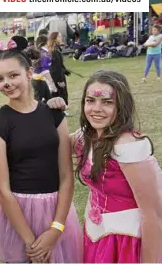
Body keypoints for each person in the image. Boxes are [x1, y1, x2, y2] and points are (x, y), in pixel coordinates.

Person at [0, 36, 82, 263]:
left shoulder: (55, 115)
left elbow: (66, 176)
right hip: (17, 215)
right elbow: (2, 188)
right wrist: (30, 243)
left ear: (29, 73)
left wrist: (56, 229)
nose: (7, 83)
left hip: (55, 211)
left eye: (13, 75)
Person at [47, 70, 162, 263]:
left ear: (121, 106)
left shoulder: (129, 147)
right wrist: (50, 113)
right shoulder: (86, 136)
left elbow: (154, 214)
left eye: (107, 102)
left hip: (127, 242)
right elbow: (56, 146)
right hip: (96, 236)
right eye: (90, 100)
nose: (96, 109)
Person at [48, 32, 71, 107]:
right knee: (60, 93)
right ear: (54, 39)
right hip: (57, 77)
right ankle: (61, 109)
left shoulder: (56, 49)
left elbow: (60, 65)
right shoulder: (54, 51)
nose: (61, 38)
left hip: (58, 75)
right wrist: (60, 81)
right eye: (59, 37)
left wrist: (65, 71)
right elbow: (56, 68)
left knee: (59, 93)